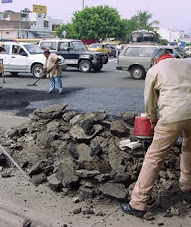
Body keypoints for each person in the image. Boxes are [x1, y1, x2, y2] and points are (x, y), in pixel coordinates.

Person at [121, 48, 191, 217]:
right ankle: (187, 186)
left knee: (154, 157)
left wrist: (152, 120)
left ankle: (138, 203)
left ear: (154, 60)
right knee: (189, 149)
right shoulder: (187, 63)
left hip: (172, 117)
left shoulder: (155, 70)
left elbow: (150, 102)